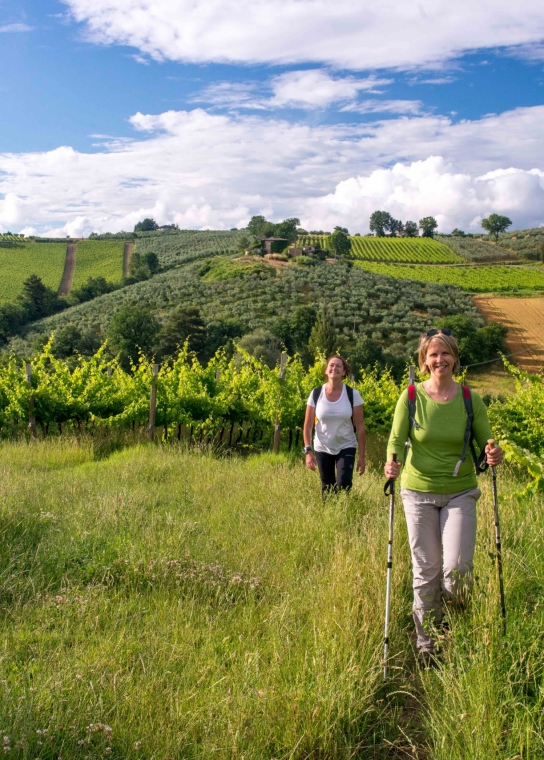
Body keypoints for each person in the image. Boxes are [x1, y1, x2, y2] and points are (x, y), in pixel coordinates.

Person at [384, 329, 503, 661]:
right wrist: (391, 463)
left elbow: (487, 442)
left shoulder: (470, 399)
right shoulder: (410, 397)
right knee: (427, 571)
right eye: (433, 355)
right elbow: (396, 440)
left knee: (458, 570)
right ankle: (427, 644)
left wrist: (494, 453)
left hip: (460, 492)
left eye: (446, 354)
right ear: (424, 360)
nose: (440, 360)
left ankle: (454, 628)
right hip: (418, 492)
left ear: (455, 358)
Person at [303, 355, 366, 496]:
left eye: (338, 366)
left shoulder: (352, 394)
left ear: (344, 372)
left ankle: (345, 513)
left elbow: (361, 427)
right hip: (322, 446)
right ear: (326, 370)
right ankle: (329, 515)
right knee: (328, 487)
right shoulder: (316, 393)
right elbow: (307, 426)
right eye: (331, 365)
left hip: (346, 445)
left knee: (344, 484)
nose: (334, 368)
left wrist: (362, 457)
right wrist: (308, 452)